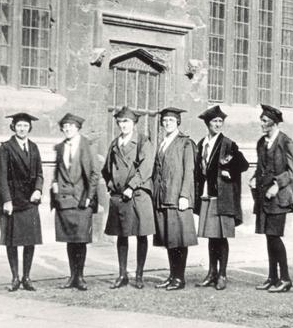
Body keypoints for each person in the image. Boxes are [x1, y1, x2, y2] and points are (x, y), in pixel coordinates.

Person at [194, 105, 249, 291]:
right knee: (211, 236)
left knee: (222, 237)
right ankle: (211, 273)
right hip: (208, 196)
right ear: (207, 124)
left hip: (223, 198)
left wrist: (228, 171)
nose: (218, 124)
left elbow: (243, 164)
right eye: (214, 121)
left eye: (220, 121)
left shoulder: (228, 144)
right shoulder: (202, 144)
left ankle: (222, 274)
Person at [102, 106, 155, 290]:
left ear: (134, 124)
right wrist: (111, 185)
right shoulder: (115, 144)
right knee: (121, 235)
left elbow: (146, 168)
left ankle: (139, 275)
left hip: (138, 195)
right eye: (120, 122)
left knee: (141, 235)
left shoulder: (142, 141)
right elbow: (106, 169)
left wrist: (131, 186)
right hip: (119, 196)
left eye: (127, 122)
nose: (123, 125)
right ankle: (122, 274)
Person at [250, 104, 293, 293]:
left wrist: (277, 185)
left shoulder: (287, 143)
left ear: (274, 123)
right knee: (269, 238)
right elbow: (261, 167)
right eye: (261, 121)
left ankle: (285, 278)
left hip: (279, 198)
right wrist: (254, 178)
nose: (261, 124)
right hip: (263, 197)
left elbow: (292, 171)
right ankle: (272, 277)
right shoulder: (261, 143)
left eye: (265, 121)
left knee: (275, 237)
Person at [51, 113, 99, 291]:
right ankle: (72, 276)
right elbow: (57, 170)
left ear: (78, 128)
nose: (67, 129)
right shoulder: (61, 147)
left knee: (81, 240)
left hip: (81, 201)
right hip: (64, 201)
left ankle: (80, 276)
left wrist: (89, 197)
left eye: (70, 126)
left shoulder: (87, 145)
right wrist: (55, 185)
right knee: (70, 240)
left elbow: (95, 173)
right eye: (64, 127)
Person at [0, 112, 43, 292]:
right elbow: (2, 177)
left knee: (30, 240)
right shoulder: (6, 148)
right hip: (13, 201)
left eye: (25, 125)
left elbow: (39, 173)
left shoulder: (34, 147)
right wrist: (7, 200)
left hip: (30, 200)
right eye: (19, 126)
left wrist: (38, 190)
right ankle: (15, 277)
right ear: (13, 127)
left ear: (29, 128)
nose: (22, 129)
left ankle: (27, 277)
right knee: (12, 241)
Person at [153, 107, 197, 291]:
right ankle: (172, 275)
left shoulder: (185, 143)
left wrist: (184, 195)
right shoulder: (162, 143)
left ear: (178, 122)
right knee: (169, 239)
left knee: (179, 239)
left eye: (171, 120)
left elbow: (189, 171)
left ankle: (180, 278)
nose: (167, 123)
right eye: (164, 121)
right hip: (163, 197)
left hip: (177, 197)